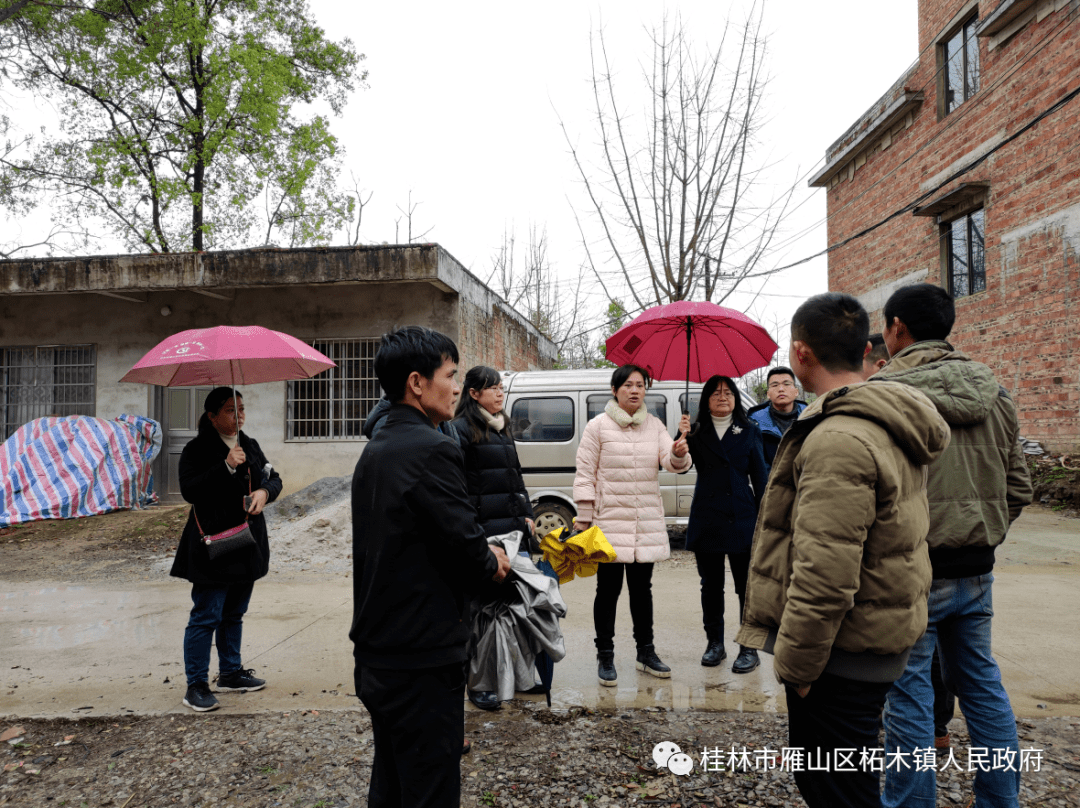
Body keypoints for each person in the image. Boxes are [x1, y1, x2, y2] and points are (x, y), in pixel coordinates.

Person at [735, 292, 950, 808]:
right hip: (869, 640)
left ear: (802, 353)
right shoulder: (884, 417)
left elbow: (825, 575)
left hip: (839, 655)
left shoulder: (840, 437)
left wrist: (798, 667)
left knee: (837, 790)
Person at [877, 283, 1033, 808]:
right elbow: (1019, 489)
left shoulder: (887, 393)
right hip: (976, 568)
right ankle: (1000, 800)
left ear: (897, 327)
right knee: (983, 687)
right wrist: (981, 534)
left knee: (910, 696)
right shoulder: (995, 391)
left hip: (912, 570)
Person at [350, 326, 511, 808]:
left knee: (393, 782)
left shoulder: (377, 448)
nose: (457, 386)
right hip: (422, 654)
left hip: (380, 650)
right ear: (417, 383)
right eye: (451, 374)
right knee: (430, 788)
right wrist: (495, 562)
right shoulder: (432, 448)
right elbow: (465, 545)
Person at [573, 364, 692, 686]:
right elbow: (584, 473)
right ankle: (606, 655)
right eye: (628, 384)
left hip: (644, 524)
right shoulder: (597, 427)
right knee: (607, 591)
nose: (635, 390)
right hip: (609, 522)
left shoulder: (654, 425)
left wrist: (680, 451)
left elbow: (672, 462)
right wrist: (584, 518)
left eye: (640, 385)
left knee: (642, 591)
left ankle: (646, 652)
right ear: (615, 390)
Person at [171, 387, 282, 713]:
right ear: (212, 416)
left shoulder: (249, 444)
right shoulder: (196, 449)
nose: (240, 415)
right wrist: (226, 466)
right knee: (207, 615)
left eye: (242, 409)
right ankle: (196, 685)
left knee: (234, 613)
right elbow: (189, 490)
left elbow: (273, 477)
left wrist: (264, 492)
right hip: (214, 546)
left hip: (246, 542)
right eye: (232, 410)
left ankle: (231, 672)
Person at [450, 365, 537, 711]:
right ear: (474, 393)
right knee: (482, 614)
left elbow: (515, 477)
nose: (501, 393)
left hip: (514, 532)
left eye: (502, 388)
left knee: (511, 609)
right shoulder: (460, 431)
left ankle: (513, 675)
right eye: (493, 388)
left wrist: (527, 512)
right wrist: (476, 534)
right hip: (485, 537)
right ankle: (480, 682)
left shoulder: (503, 428)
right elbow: (459, 491)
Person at [685, 375, 768, 674]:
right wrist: (681, 441)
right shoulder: (693, 431)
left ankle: (750, 647)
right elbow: (680, 465)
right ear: (706, 399)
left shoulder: (749, 430)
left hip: (742, 517)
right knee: (711, 586)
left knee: (746, 588)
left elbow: (761, 479)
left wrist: (766, 520)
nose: (723, 397)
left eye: (728, 393)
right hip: (707, 517)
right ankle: (715, 644)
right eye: (716, 393)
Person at [747, 367, 807, 468]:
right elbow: (757, 464)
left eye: (787, 384)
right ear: (768, 394)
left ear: (796, 392)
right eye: (775, 385)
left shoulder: (811, 417)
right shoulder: (755, 422)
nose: (781, 389)